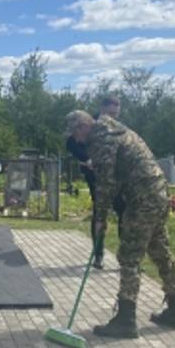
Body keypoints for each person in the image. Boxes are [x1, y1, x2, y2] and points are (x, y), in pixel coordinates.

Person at [65, 110, 175, 338]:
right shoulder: (114, 129)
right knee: (160, 251)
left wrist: (100, 219)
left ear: (83, 126)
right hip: (159, 193)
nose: (76, 139)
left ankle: (126, 319)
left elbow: (105, 183)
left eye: (75, 133)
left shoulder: (102, 140)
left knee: (129, 256)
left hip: (142, 198)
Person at [64, 96, 124, 269]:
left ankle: (124, 257)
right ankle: (98, 255)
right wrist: (87, 159)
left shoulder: (116, 128)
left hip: (116, 179)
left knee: (124, 213)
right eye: (111, 113)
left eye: (116, 114)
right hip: (96, 180)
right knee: (100, 214)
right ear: (102, 109)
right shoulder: (87, 124)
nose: (113, 117)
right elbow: (71, 142)